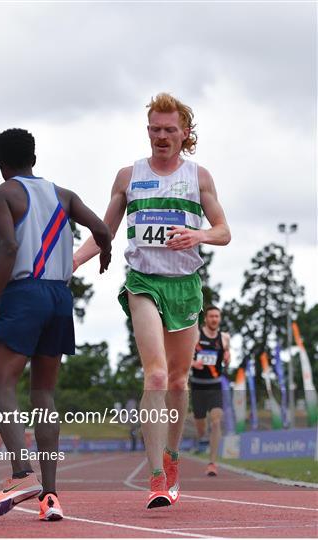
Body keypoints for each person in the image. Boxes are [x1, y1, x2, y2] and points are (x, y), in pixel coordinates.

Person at [73, 93, 231, 508]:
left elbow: (223, 231)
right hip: (143, 282)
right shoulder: (128, 176)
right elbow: (104, 233)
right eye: (155, 130)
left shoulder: (199, 178)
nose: (162, 137)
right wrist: (70, 263)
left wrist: (198, 235)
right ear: (148, 131)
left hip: (185, 286)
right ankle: (156, 477)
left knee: (178, 382)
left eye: (169, 130)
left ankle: (172, 456)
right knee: (156, 377)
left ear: (185, 133)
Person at [0, 128, 111, 520]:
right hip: (59, 298)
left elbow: (10, 246)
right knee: (44, 396)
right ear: (33, 157)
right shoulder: (63, 195)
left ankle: (22, 473)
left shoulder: (1, 194)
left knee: (0, 389)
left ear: (1, 162)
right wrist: (106, 252)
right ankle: (50, 497)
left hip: (25, 294)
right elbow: (101, 229)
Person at [190, 305, 231, 476]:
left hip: (215, 385)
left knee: (216, 421)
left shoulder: (225, 337)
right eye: (211, 316)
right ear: (205, 319)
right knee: (201, 429)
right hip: (198, 386)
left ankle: (212, 463)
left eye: (217, 316)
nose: (215, 319)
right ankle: (203, 435)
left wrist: (228, 358)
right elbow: (183, 356)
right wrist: (194, 363)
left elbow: (227, 357)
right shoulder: (196, 335)